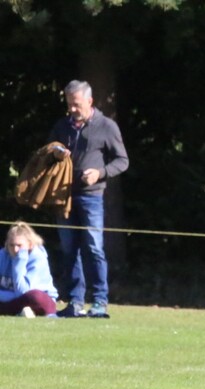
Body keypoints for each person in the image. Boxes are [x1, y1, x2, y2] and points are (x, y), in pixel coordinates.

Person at [49, 79, 129, 319]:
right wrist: (54, 152)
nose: (72, 109)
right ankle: (74, 303)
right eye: (69, 104)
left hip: (92, 197)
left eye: (76, 104)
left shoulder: (107, 126)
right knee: (69, 249)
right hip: (63, 196)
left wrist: (100, 173)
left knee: (94, 248)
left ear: (89, 101)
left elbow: (122, 161)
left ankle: (100, 302)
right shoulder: (62, 126)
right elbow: (48, 152)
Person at [0, 221, 59, 317]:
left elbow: (23, 292)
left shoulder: (38, 258)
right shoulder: (2, 255)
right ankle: (21, 312)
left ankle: (19, 311)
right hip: (15, 301)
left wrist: (19, 261)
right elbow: (19, 295)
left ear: (30, 244)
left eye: (19, 245)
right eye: (11, 245)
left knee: (35, 297)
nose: (15, 250)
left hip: (35, 300)